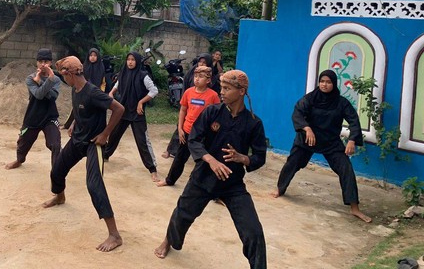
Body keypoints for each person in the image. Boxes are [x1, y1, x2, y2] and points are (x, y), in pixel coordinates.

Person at [154, 70, 268, 269]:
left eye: (226, 88)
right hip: (203, 177)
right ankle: (168, 241)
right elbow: (194, 139)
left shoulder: (253, 123)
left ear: (241, 91)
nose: (221, 92)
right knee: (182, 214)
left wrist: (243, 158)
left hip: (232, 184)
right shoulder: (212, 112)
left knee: (253, 231)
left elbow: (260, 157)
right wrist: (211, 160)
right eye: (221, 88)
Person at [42, 56, 124, 252]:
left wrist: (105, 134)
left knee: (94, 184)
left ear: (71, 74)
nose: (64, 80)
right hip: (78, 139)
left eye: (64, 76)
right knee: (57, 170)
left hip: (93, 143)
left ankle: (114, 235)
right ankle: (60, 197)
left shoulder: (93, 92)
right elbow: (82, 110)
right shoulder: (74, 88)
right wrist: (74, 124)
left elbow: (119, 109)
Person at [272, 69, 372, 223]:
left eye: (328, 82)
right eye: (322, 81)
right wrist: (307, 128)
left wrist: (352, 140)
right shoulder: (310, 99)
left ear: (334, 84)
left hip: (330, 142)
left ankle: (354, 208)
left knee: (346, 169)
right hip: (307, 140)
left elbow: (353, 120)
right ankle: (280, 189)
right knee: (292, 163)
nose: (324, 85)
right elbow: (297, 113)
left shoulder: (341, 103)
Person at [156, 66, 220, 187]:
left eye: (200, 77)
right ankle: (170, 180)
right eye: (195, 76)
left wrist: (215, 126)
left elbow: (217, 115)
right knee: (179, 158)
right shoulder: (188, 92)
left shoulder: (213, 96)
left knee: (204, 163)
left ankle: (213, 191)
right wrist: (180, 128)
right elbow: (183, 110)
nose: (197, 79)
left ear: (208, 80)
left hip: (203, 135)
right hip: (187, 131)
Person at [103, 51, 159, 182]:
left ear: (137, 61)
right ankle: (105, 156)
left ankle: (152, 169)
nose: (130, 62)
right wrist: (111, 93)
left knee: (142, 141)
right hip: (123, 111)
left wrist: (141, 101)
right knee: (114, 135)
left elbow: (154, 91)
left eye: (133, 60)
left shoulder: (143, 75)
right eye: (128, 59)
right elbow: (117, 85)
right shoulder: (123, 73)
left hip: (137, 113)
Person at [5, 48, 61, 170]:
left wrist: (43, 81)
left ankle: (57, 171)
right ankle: (19, 160)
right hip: (33, 115)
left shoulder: (56, 79)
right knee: (22, 143)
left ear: (50, 63)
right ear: (37, 63)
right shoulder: (30, 78)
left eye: (46, 61)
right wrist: (44, 81)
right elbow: (39, 95)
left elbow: (53, 97)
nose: (43, 64)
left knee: (55, 144)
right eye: (40, 61)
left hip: (50, 116)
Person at [162, 52, 214, 159]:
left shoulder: (211, 74)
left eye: (204, 62)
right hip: (189, 106)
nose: (202, 64)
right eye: (200, 61)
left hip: (202, 109)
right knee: (181, 128)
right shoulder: (192, 72)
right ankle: (171, 150)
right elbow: (185, 86)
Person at [63, 47, 105, 129]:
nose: (92, 57)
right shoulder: (84, 67)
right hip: (83, 91)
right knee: (77, 109)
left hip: (96, 93)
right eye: (91, 55)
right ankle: (68, 125)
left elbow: (103, 82)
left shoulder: (101, 68)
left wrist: (100, 92)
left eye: (95, 55)